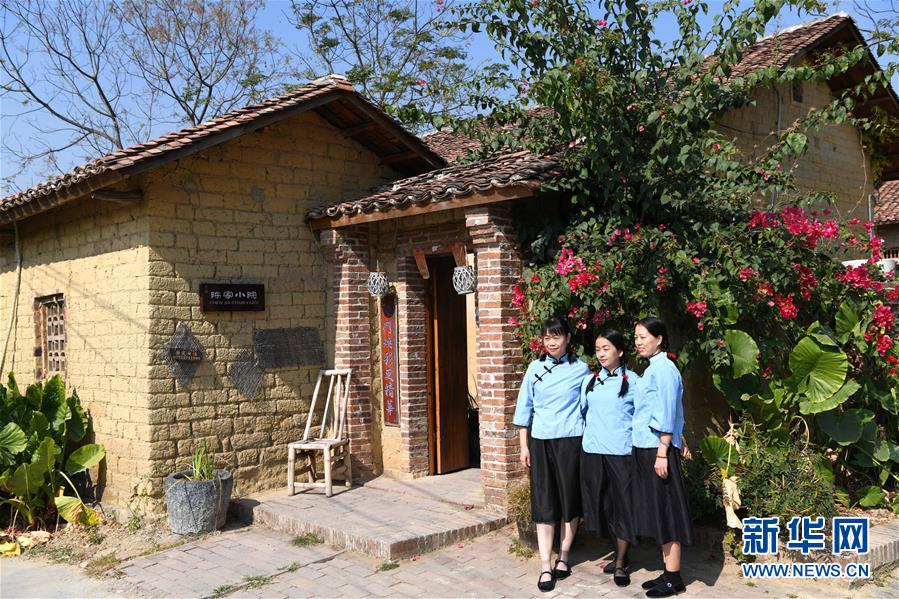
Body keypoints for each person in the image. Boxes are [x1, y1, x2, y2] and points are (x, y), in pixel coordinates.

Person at [513, 316, 590, 592]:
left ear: (568, 338)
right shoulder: (534, 368)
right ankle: (545, 564)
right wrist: (524, 445)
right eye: (547, 338)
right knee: (544, 501)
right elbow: (524, 407)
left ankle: (564, 556)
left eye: (556, 336)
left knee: (569, 501)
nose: (552, 342)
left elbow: (588, 407)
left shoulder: (581, 369)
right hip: (541, 441)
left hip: (571, 441)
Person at [632, 317, 693, 598]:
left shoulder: (665, 369)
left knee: (667, 512)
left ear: (658, 339)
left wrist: (662, 452)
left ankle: (674, 578)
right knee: (659, 511)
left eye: (643, 336)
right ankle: (668, 572)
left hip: (658, 449)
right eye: (636, 337)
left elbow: (667, 412)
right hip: (649, 448)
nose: (638, 342)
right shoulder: (653, 368)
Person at [579, 330, 637, 587]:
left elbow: (641, 417)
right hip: (593, 452)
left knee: (622, 508)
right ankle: (618, 552)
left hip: (621, 455)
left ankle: (622, 562)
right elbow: (583, 413)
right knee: (602, 508)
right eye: (597, 349)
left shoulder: (634, 382)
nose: (601, 354)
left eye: (606, 348)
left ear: (620, 351)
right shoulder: (589, 381)